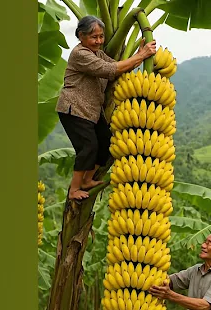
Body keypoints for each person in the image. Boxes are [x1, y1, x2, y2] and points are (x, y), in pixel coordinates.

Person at [56, 15, 157, 200]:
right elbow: (111, 70)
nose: (99, 41)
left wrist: (140, 57)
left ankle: (87, 180)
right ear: (80, 36)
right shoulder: (80, 54)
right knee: (88, 147)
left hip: (92, 111)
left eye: (101, 36)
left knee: (106, 143)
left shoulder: (98, 54)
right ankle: (74, 190)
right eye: (94, 37)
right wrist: (141, 55)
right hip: (74, 108)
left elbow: (115, 67)